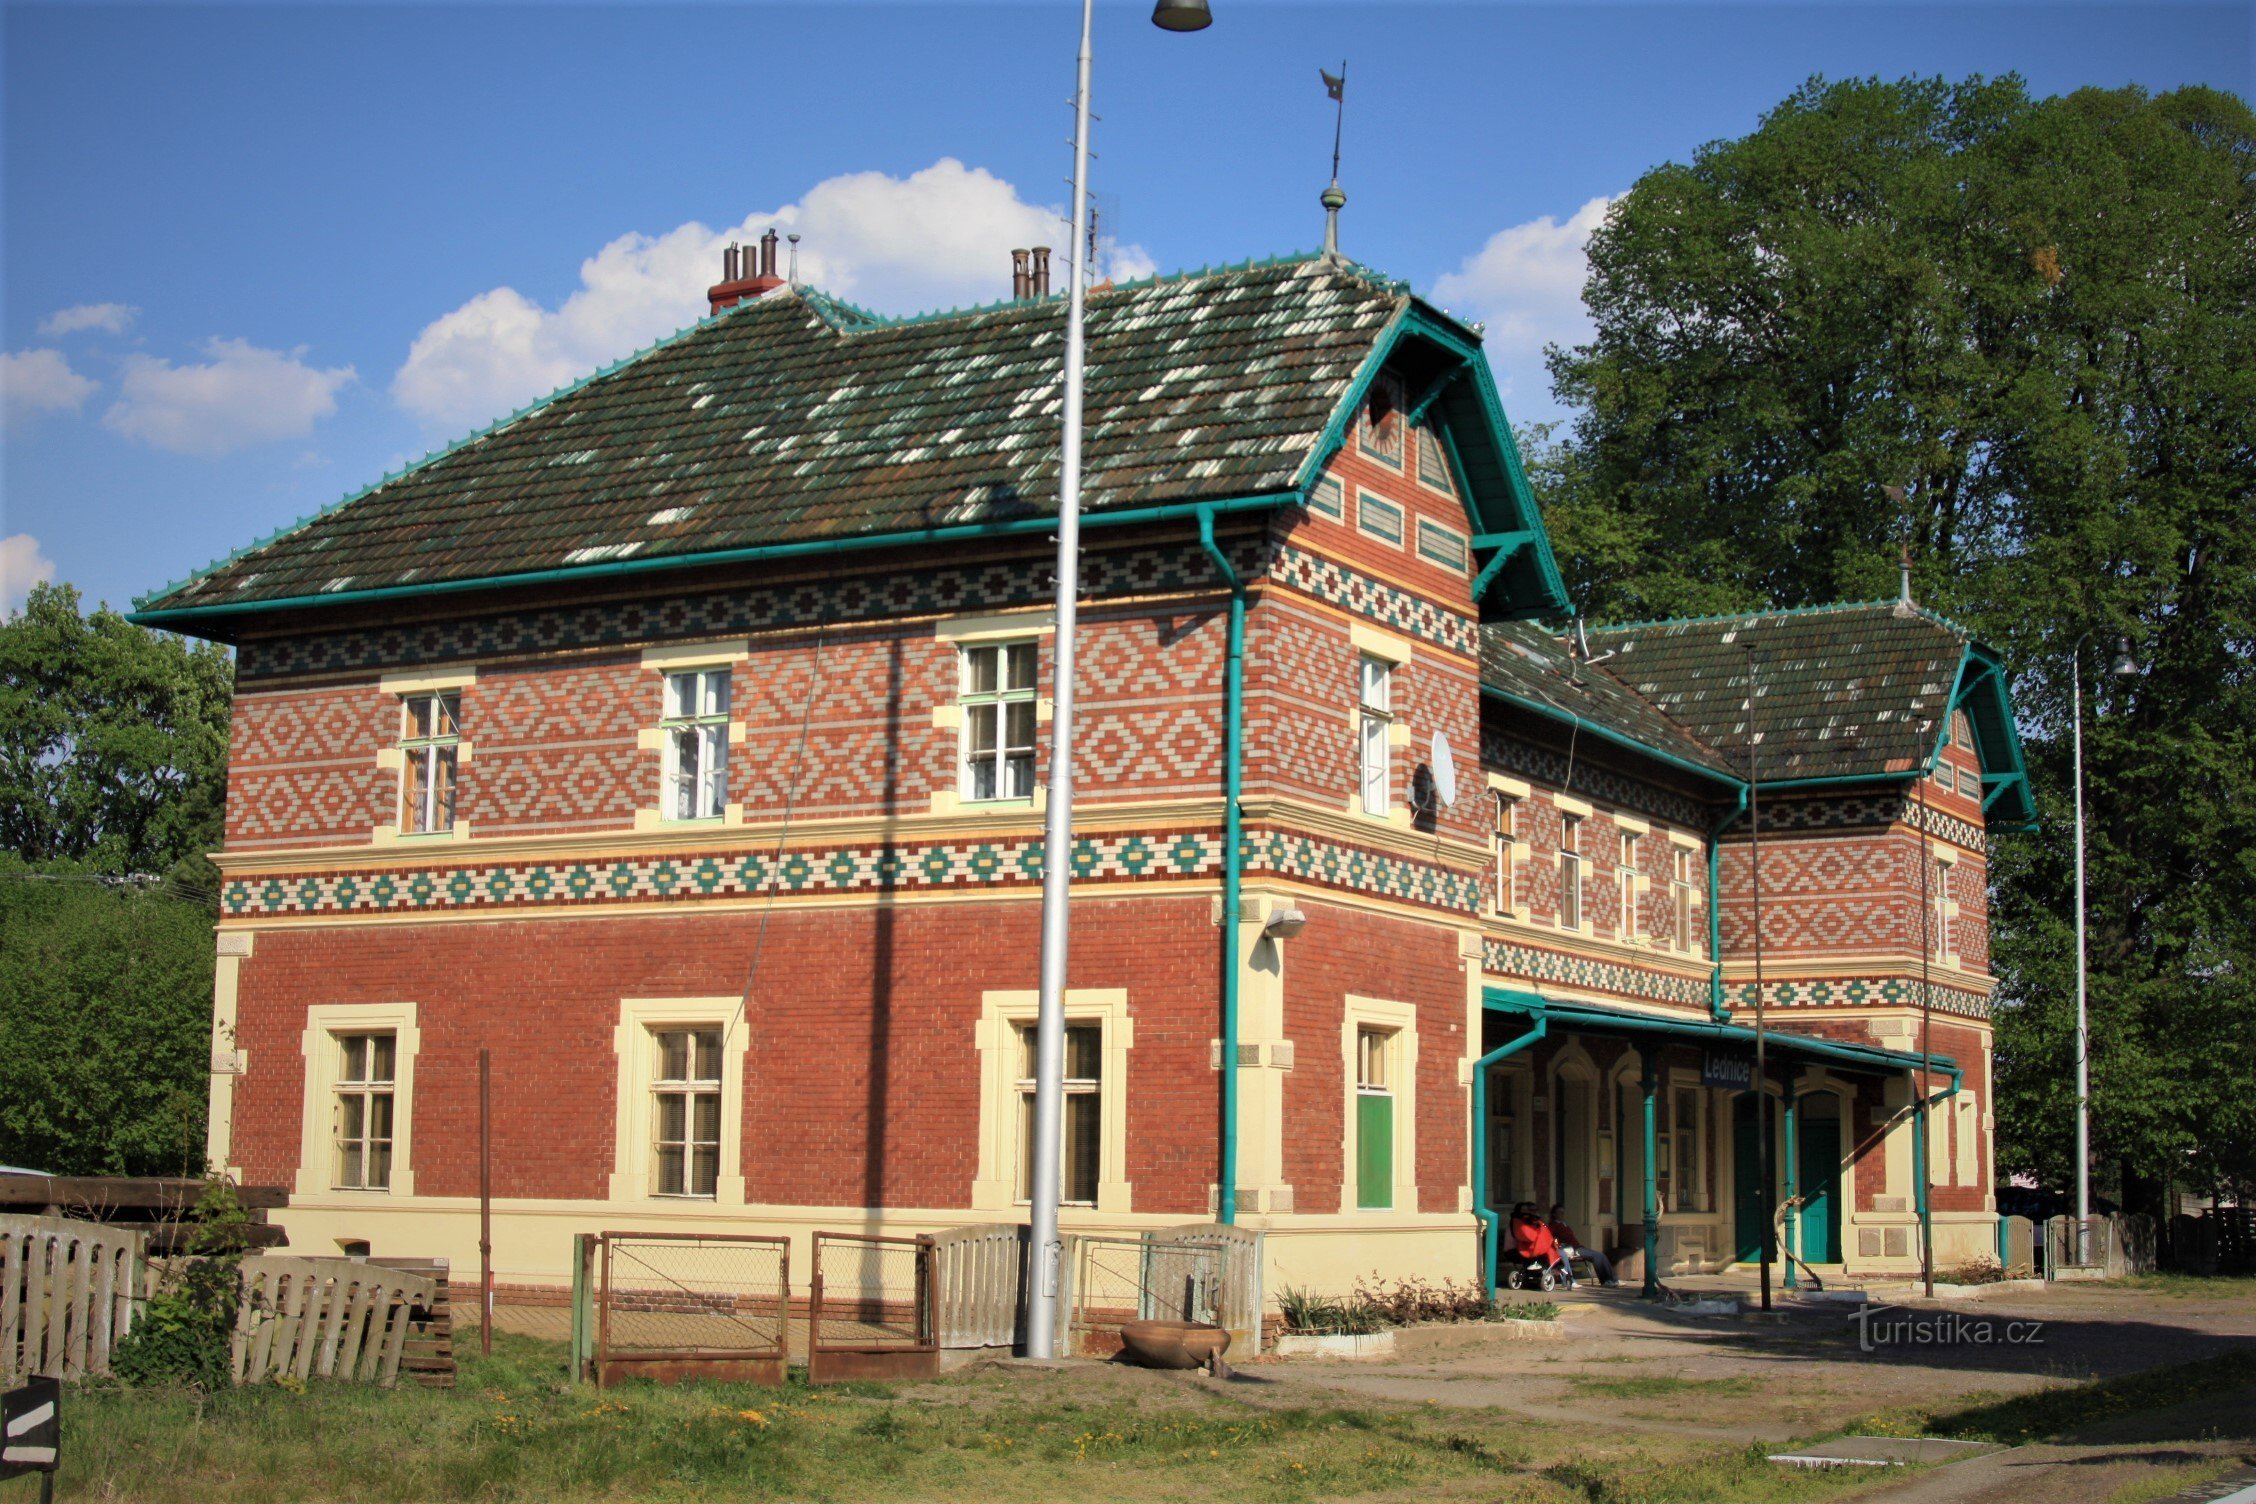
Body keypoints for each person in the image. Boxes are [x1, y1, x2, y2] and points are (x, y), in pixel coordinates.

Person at [1548, 1204, 1620, 1286]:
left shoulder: (1564, 1224)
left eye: (1563, 1213)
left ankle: (1613, 1279)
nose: (1562, 1215)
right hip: (1571, 1249)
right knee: (1596, 1257)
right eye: (1560, 1213)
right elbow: (1553, 1240)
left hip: (1577, 1247)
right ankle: (1605, 1281)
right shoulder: (1553, 1226)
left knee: (1601, 1255)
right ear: (1554, 1214)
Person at [1508, 1202, 1571, 1286]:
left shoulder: (1530, 1221)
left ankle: (1567, 1277)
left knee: (1560, 1253)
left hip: (1532, 1246)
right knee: (1559, 1253)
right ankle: (1568, 1279)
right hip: (1532, 1248)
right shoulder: (1522, 1222)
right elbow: (1530, 1235)